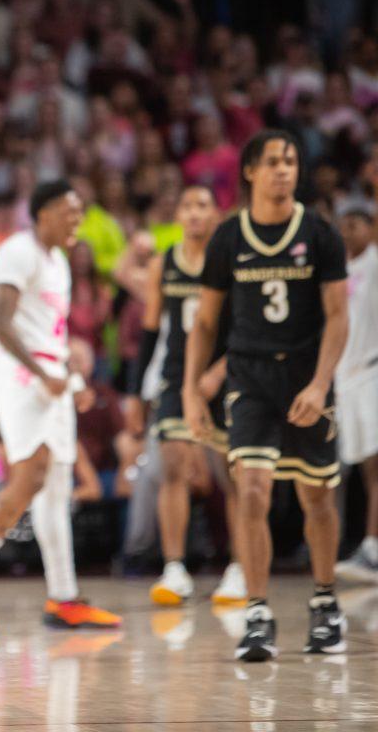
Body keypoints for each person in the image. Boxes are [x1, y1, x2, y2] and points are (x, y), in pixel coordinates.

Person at [184, 129, 349, 661]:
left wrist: (321, 383)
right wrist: (190, 389)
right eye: (275, 161)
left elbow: (338, 316)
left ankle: (325, 603)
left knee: (316, 496)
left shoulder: (320, 233)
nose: (285, 170)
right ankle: (258, 612)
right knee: (251, 490)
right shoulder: (229, 238)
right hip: (251, 379)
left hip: (306, 377)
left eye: (292, 161)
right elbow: (205, 322)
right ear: (251, 170)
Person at [0, 180, 122, 632]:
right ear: (42, 213)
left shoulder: (58, 261)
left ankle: (64, 598)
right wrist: (42, 375)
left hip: (49, 380)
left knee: (56, 487)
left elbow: (48, 335)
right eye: (68, 211)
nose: (77, 220)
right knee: (33, 474)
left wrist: (71, 380)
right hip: (20, 379)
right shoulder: (18, 251)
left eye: (80, 212)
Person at [127, 185, 246, 606]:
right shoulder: (165, 264)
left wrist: (218, 371)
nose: (194, 213)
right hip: (178, 374)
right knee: (173, 465)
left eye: (202, 205)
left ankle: (238, 567)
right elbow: (148, 333)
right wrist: (135, 395)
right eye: (187, 205)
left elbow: (247, 329)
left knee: (231, 474)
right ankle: (175, 567)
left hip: (225, 374)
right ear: (176, 214)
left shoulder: (230, 260)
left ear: (216, 213)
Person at [332, 200, 378, 583]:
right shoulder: (339, 269)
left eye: (356, 224)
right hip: (342, 379)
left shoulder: (376, 263)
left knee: (374, 467)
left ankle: (373, 548)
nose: (348, 231)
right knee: (340, 470)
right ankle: (336, 546)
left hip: (372, 372)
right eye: (343, 224)